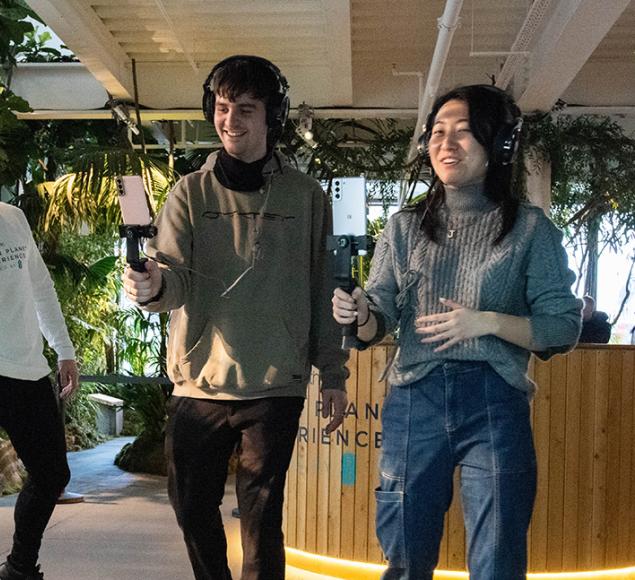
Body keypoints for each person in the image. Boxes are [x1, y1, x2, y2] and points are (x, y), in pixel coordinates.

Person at [332, 85, 582, 580]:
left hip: (495, 402)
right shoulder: (403, 229)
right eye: (438, 132)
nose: (447, 144)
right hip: (413, 400)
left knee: (498, 557)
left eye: (464, 132)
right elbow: (379, 313)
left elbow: (562, 327)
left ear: (500, 147)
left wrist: (484, 322)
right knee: (404, 552)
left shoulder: (530, 230)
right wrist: (360, 313)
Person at [122, 55, 348, 580]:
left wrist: (332, 372)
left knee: (262, 521)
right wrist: (152, 286)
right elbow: (171, 278)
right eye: (222, 108)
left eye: (246, 109)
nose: (231, 121)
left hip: (275, 385)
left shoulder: (307, 197)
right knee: (191, 508)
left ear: (273, 117)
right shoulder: (189, 193)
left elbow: (324, 287)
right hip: (199, 385)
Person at [0, 202, 80, 580]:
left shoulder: (12, 217)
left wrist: (64, 349)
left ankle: (19, 568)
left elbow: (41, 287)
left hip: (25, 369)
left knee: (51, 474)